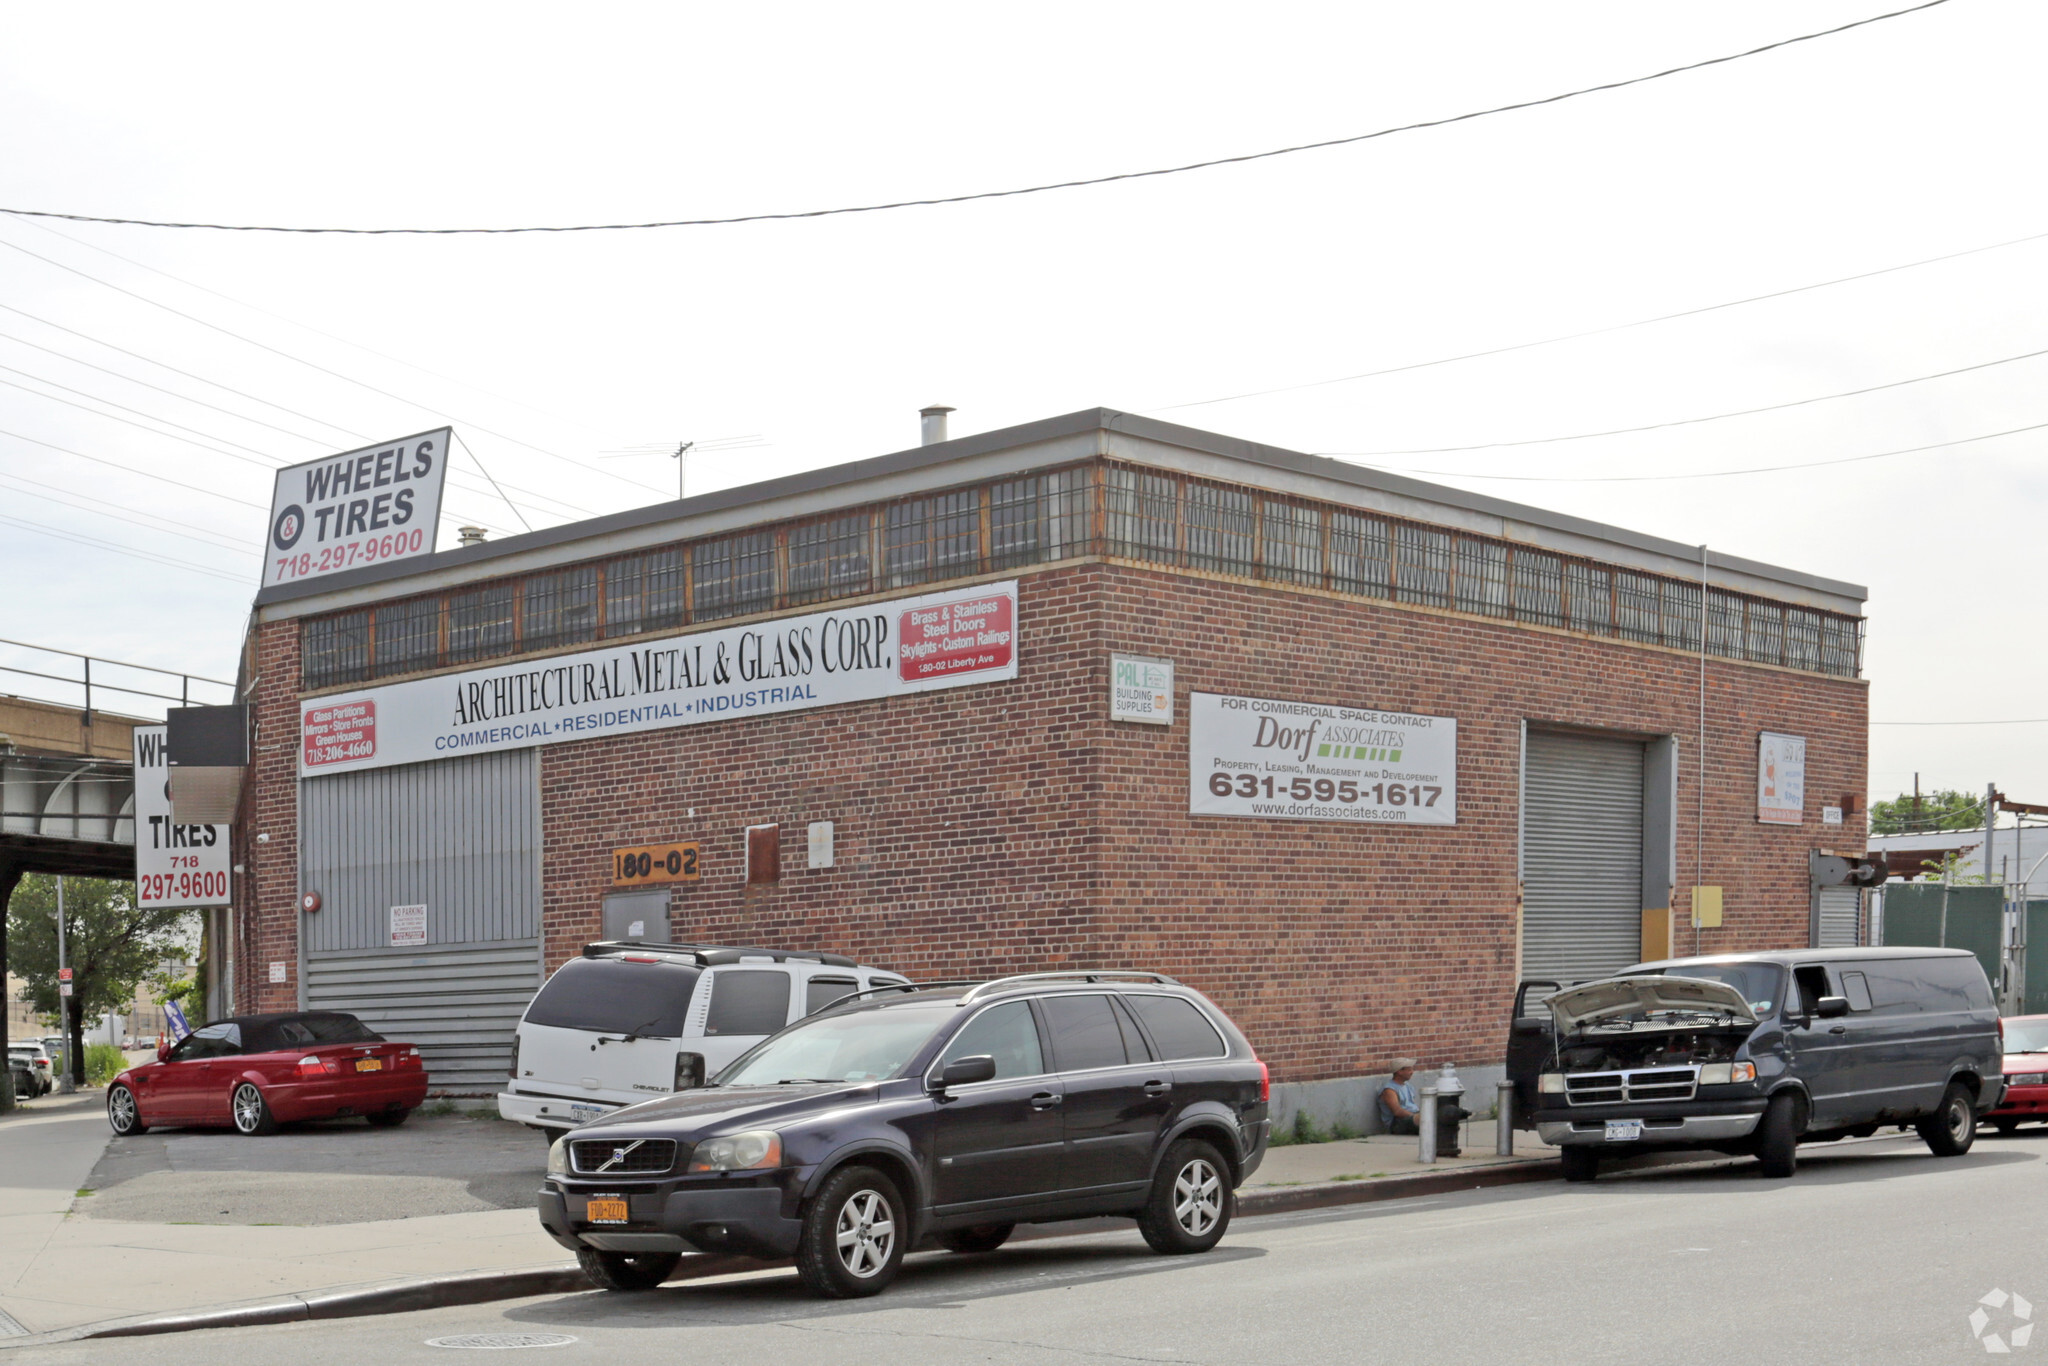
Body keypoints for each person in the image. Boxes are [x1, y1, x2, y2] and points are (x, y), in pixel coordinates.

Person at [1378, 1058, 1422, 1135]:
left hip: (1412, 1116)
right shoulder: (1389, 1090)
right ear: (1399, 1072)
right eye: (1409, 1070)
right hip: (1398, 1123)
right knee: (1426, 1120)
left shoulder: (1408, 1086)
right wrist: (1415, 1116)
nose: (1412, 1072)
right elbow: (1397, 1111)